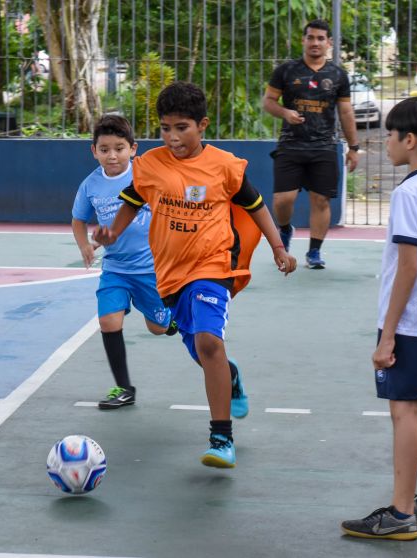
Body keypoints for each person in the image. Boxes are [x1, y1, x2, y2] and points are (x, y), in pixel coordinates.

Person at [94, 82, 297, 468]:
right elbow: (131, 202)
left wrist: (278, 247)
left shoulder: (223, 166)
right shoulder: (150, 165)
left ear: (202, 125)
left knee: (208, 342)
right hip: (170, 277)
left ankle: (221, 438)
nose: (172, 137)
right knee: (201, 351)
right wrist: (112, 233)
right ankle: (231, 376)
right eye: (165, 128)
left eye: (182, 127)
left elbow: (255, 207)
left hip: (213, 267)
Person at [340, 97, 417, 541]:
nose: (385, 142)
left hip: (408, 321)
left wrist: (387, 336)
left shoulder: (409, 192)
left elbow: (408, 267)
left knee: (403, 411)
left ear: (410, 140)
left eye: (389, 135)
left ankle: (401, 513)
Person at [71, 114, 177, 410]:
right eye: (104, 149)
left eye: (119, 148)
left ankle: (169, 320)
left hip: (151, 268)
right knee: (108, 320)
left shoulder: (146, 176)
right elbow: (78, 219)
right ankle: (124, 387)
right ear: (94, 151)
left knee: (157, 327)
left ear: (133, 149)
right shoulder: (90, 185)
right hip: (115, 268)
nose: (112, 155)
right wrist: (85, 246)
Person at [262, 18, 360, 269]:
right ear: (303, 40)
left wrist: (354, 147)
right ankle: (285, 229)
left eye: (320, 38)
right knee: (283, 201)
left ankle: (314, 253)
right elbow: (269, 102)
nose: (315, 42)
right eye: (310, 37)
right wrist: (285, 113)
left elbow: (346, 112)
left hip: (324, 147)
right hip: (291, 145)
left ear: (329, 43)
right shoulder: (286, 71)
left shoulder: (338, 75)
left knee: (321, 201)